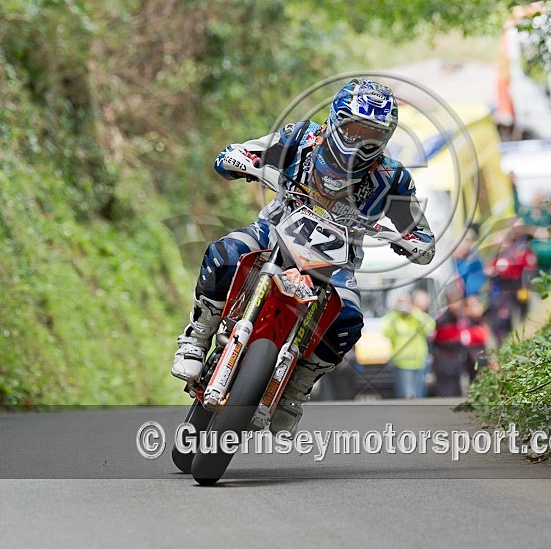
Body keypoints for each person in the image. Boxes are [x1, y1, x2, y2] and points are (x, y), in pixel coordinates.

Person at [172, 79, 435, 434]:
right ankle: (198, 333)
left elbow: (420, 233)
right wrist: (242, 161)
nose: (359, 140)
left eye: (371, 133)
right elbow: (242, 152)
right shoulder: (301, 138)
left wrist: (412, 241)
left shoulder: (391, 178)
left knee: (350, 318)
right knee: (227, 251)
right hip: (277, 233)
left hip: (335, 263)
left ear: (384, 138)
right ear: (335, 121)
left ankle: (296, 388)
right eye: (353, 128)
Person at [381, 293, 435, 399]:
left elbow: (430, 325)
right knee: (406, 396)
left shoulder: (416, 316)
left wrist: (414, 312)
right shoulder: (393, 317)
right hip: (402, 363)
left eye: (405, 302)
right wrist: (395, 313)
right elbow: (386, 331)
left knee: (420, 395)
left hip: (419, 362)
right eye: (400, 302)